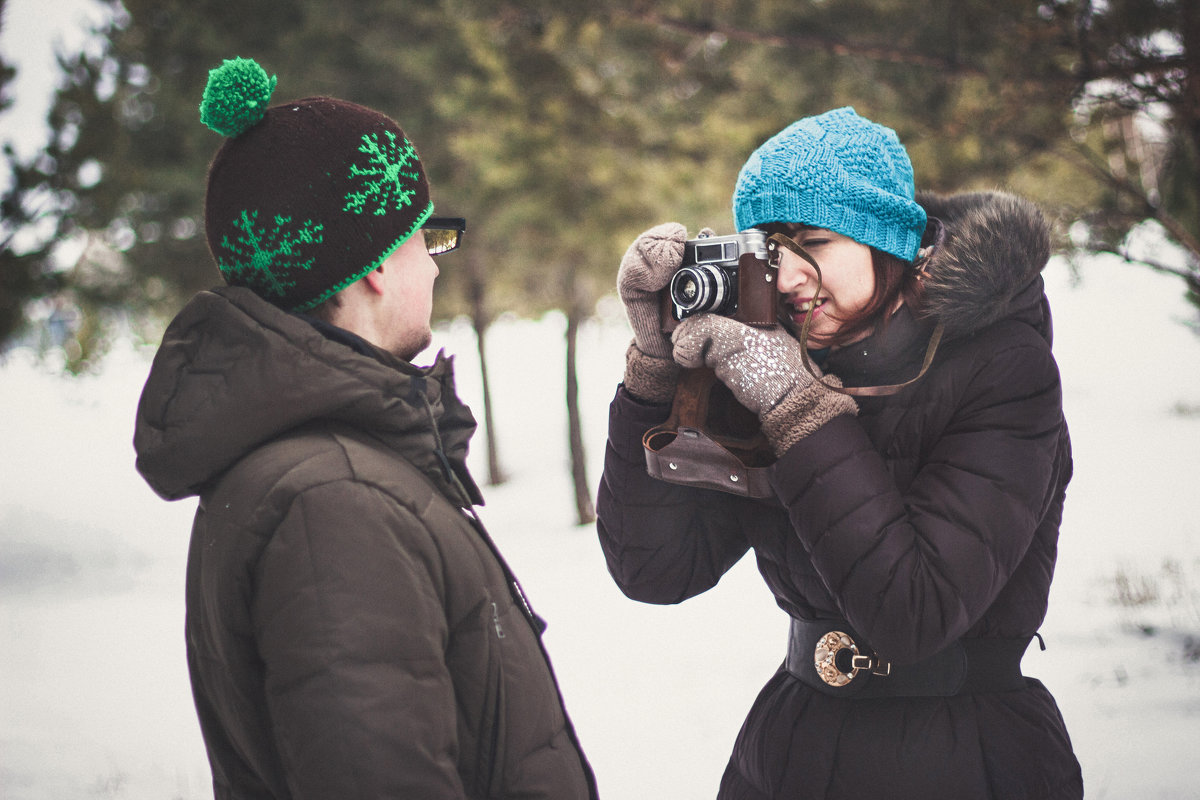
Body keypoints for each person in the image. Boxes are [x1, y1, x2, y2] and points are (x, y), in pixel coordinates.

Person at [134, 57, 597, 799]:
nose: (438, 269)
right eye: (427, 239)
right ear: (377, 263)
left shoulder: (324, 470)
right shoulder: (335, 507)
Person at [597, 107, 1082, 799]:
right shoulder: (772, 360)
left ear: (884, 238)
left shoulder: (1004, 368)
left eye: (816, 242)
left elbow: (916, 611)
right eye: (769, 250)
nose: (789, 277)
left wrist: (796, 406)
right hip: (790, 749)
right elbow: (655, 570)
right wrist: (654, 372)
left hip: (965, 756)